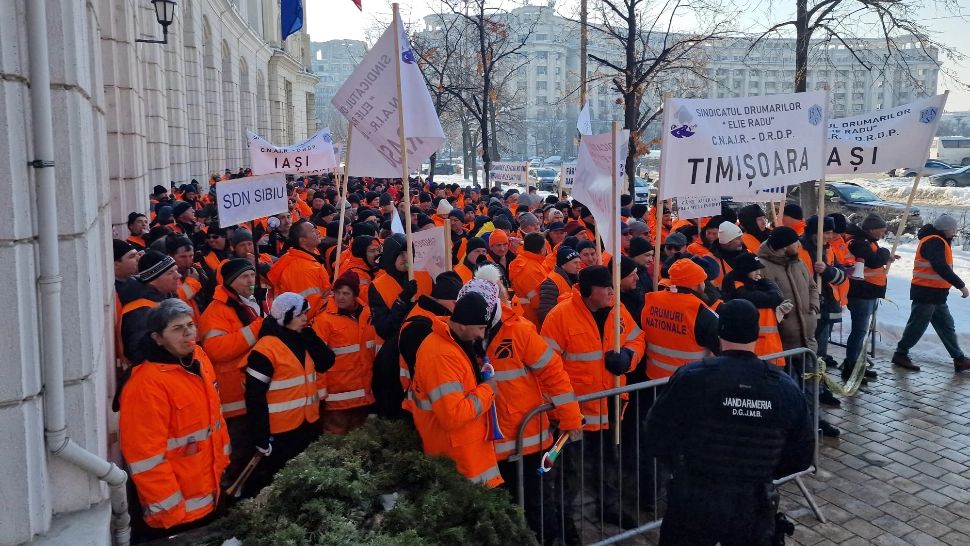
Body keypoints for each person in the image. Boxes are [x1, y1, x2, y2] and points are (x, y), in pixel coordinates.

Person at [643, 299, 815, 546]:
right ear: (756, 333)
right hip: (752, 502)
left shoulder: (692, 378)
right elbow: (801, 452)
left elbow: (656, 433)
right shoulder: (783, 387)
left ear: (719, 330)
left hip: (696, 496)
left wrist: (682, 465)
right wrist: (762, 469)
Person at [460, 275, 583, 544]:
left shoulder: (519, 331)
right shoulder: (462, 331)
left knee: (538, 509)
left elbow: (553, 373)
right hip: (486, 445)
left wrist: (570, 419)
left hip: (527, 442)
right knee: (501, 515)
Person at [540, 265, 645, 535]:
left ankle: (608, 506)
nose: (612, 291)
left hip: (610, 406)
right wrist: (561, 411)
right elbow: (545, 366)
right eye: (605, 287)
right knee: (570, 473)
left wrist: (629, 358)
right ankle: (566, 522)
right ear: (588, 292)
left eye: (612, 286)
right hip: (576, 411)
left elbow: (637, 339)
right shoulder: (560, 317)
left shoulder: (618, 310)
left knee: (609, 462)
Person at [118, 299, 230, 535]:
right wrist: (172, 512)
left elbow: (214, 421)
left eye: (190, 325)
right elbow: (145, 458)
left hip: (211, 492)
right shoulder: (146, 385)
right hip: (176, 515)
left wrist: (222, 469)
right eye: (177, 329)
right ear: (157, 338)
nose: (188, 332)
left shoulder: (198, 357)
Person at [243, 293, 335, 495]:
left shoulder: (303, 338)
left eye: (306, 314)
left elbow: (327, 362)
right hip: (280, 431)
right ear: (285, 316)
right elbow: (254, 397)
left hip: (308, 422)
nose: (305, 319)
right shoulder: (265, 349)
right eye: (300, 315)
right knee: (282, 483)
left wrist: (312, 339)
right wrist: (260, 436)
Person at [411, 292, 503, 487]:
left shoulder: (454, 344)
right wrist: (488, 391)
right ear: (462, 325)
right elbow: (452, 415)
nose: (481, 335)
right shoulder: (441, 356)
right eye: (479, 328)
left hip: (466, 454)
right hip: (457, 462)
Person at [892, 214, 970, 372]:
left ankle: (959, 359)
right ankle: (900, 354)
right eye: (953, 229)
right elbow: (940, 266)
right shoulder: (934, 241)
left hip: (936, 294)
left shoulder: (937, 240)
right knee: (917, 325)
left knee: (946, 325)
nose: (955, 232)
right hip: (927, 292)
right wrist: (960, 285)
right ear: (946, 228)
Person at [313, 271, 378, 434]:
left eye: (346, 293)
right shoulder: (324, 321)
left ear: (355, 295)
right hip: (336, 398)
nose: (340, 297)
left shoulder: (368, 315)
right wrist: (321, 396)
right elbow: (317, 361)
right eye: (337, 293)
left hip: (364, 396)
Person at [642, 259, 720, 380]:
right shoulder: (700, 312)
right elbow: (723, 349)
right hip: (689, 383)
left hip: (654, 381)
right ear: (698, 284)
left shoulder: (650, 301)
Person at [842, 214, 894, 382]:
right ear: (872, 229)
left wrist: (883, 255)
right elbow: (873, 261)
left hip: (869, 292)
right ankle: (851, 368)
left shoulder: (868, 241)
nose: (883, 234)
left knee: (862, 332)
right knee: (859, 331)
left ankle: (858, 365)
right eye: (881, 230)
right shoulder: (858, 242)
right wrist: (885, 253)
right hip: (861, 293)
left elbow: (877, 258)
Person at [120, 251, 183, 364]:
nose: (178, 275)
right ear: (153, 280)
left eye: (176, 270)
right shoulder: (142, 311)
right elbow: (138, 353)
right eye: (170, 273)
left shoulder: (164, 296)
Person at [266, 219, 332, 321]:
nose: (318, 232)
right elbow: (308, 309)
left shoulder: (308, 254)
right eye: (313, 230)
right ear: (303, 240)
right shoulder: (302, 269)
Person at [508, 232, 549, 325]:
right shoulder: (531, 268)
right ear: (542, 249)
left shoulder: (523, 260)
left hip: (524, 312)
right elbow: (537, 301)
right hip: (531, 317)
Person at [536, 246, 581, 326]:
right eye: (575, 263)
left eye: (579, 263)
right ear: (563, 264)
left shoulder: (578, 278)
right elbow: (545, 313)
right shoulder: (550, 283)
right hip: (560, 329)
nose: (579, 266)